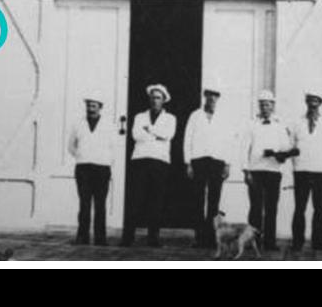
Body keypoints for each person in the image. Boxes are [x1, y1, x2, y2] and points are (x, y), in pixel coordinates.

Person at [121, 84, 177, 248]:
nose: (154, 100)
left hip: (160, 161)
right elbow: (135, 135)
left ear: (164, 100)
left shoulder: (170, 118)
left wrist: (150, 130)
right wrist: (156, 134)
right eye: (152, 97)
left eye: (158, 98)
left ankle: (153, 238)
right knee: (134, 199)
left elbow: (168, 135)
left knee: (156, 200)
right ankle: (128, 237)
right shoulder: (139, 117)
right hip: (140, 159)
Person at [183, 85, 234, 249]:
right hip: (199, 161)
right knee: (198, 199)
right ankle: (199, 237)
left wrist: (227, 164)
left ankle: (211, 238)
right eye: (209, 95)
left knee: (214, 200)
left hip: (217, 162)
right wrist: (188, 163)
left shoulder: (224, 117)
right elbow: (187, 139)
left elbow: (229, 142)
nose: (212, 98)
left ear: (218, 98)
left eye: (215, 96)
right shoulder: (195, 116)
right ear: (205, 96)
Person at [242, 90, 291, 252]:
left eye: (268, 104)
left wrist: (280, 156)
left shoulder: (280, 124)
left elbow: (285, 147)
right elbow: (244, 148)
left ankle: (270, 242)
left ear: (273, 106)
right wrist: (246, 171)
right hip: (255, 170)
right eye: (262, 104)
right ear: (259, 106)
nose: (265, 107)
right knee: (255, 207)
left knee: (271, 208)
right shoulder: (251, 124)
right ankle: (253, 241)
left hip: (273, 171)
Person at [67, 93, 118, 246]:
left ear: (100, 107)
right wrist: (81, 156)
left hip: (102, 168)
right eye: (88, 105)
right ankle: (82, 237)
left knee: (100, 204)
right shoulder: (78, 123)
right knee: (84, 204)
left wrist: (105, 160)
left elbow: (114, 147)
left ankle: (100, 239)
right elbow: (71, 146)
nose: (90, 108)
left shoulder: (109, 125)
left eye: (94, 105)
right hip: (83, 168)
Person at [288, 91, 322, 252]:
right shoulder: (297, 123)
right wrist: (296, 164)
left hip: (321, 170)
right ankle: (297, 242)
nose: (313, 106)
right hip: (302, 170)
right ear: (306, 103)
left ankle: (317, 241)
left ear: (320, 104)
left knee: (319, 208)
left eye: (316, 103)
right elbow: (291, 145)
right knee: (300, 207)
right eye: (310, 103)